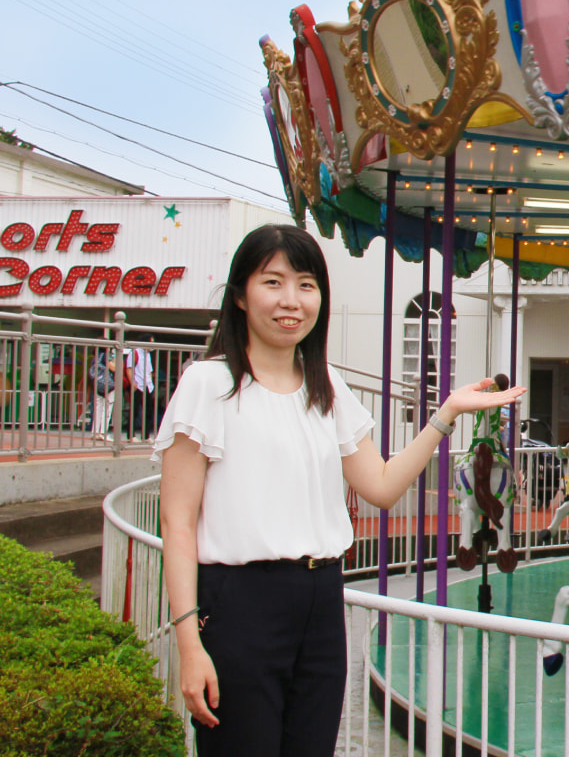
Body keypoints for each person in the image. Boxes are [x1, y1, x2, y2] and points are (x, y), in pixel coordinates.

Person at [156, 224, 523, 757]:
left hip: (321, 600)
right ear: (240, 294)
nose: (291, 301)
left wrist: (446, 414)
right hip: (239, 603)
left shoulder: (326, 386)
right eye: (273, 282)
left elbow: (379, 486)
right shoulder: (209, 385)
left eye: (306, 285)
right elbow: (178, 523)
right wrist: (189, 643)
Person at [123, 336, 155, 440]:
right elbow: (129, 368)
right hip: (138, 385)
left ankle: (145, 436)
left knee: (148, 412)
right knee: (134, 411)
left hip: (147, 386)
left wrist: (151, 384)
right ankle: (131, 436)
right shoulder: (135, 353)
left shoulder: (148, 355)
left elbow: (149, 371)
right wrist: (133, 383)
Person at [89, 350, 115, 441]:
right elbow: (113, 368)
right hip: (108, 384)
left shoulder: (95, 357)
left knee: (97, 408)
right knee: (107, 409)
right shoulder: (107, 356)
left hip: (97, 384)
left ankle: (95, 432)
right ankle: (103, 432)